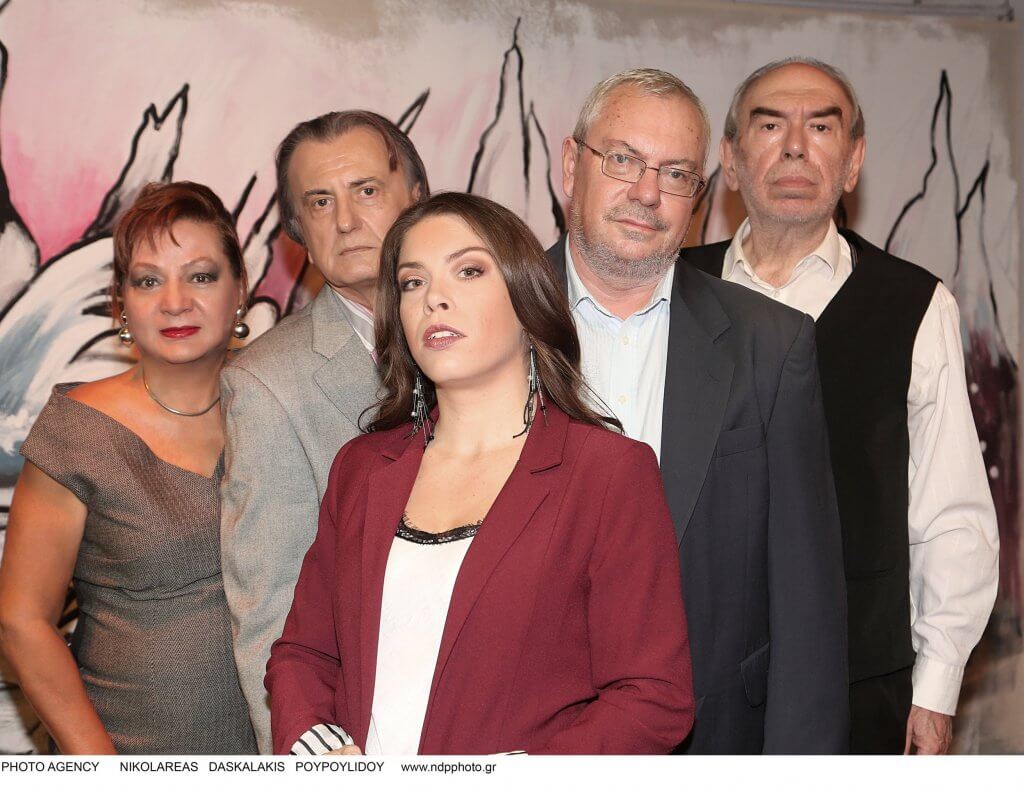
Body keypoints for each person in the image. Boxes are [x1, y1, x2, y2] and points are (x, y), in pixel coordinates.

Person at [265, 192, 694, 755]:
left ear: (525, 297)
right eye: (412, 282)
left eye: (468, 271)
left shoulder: (608, 474)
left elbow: (652, 696)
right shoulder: (362, 468)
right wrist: (320, 755)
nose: (434, 298)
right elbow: (304, 654)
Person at [685, 57, 999, 755]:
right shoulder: (672, 291)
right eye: (770, 126)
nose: (796, 147)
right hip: (687, 680)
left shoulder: (914, 304)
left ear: (853, 161)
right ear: (730, 160)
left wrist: (937, 688)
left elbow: (950, 512)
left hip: (861, 683)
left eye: (821, 127)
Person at [548, 68, 848, 753]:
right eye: (623, 159)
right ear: (571, 165)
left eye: (676, 174)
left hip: (712, 735)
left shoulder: (771, 345)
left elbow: (806, 603)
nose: (646, 192)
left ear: (699, 197)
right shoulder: (493, 322)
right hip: (524, 734)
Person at [0, 182, 257, 754]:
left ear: (239, 289)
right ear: (120, 303)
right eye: (148, 281)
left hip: (285, 750)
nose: (175, 302)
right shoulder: (77, 432)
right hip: (128, 753)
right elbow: (22, 621)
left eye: (200, 276)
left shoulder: (279, 407)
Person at [220, 111, 429, 752]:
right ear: (298, 232)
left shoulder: (505, 337)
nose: (345, 220)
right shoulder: (267, 384)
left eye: (366, 190)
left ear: (417, 198)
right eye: (319, 201)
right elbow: (272, 613)